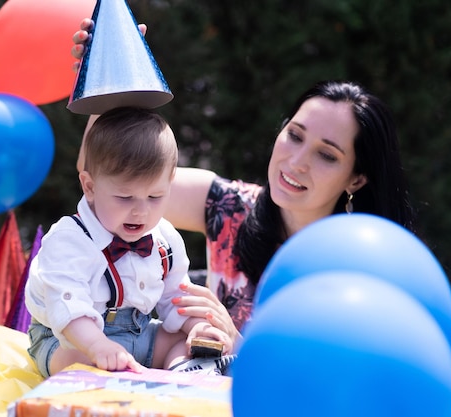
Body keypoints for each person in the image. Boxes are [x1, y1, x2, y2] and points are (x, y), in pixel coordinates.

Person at [71, 20, 417, 351]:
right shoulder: (229, 207)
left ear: (356, 177)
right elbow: (107, 181)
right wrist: (108, 81)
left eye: (327, 155)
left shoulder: (358, 267)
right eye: (294, 136)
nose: (296, 162)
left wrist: (234, 340)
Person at [25, 107, 232, 378]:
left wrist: (196, 326)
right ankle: (107, 378)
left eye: (155, 197)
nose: (141, 211)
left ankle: (184, 376)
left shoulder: (165, 239)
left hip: (138, 334)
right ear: (90, 187)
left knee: (183, 343)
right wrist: (98, 346)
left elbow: (175, 297)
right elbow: (67, 306)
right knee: (77, 364)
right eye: (125, 198)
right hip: (69, 337)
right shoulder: (69, 240)